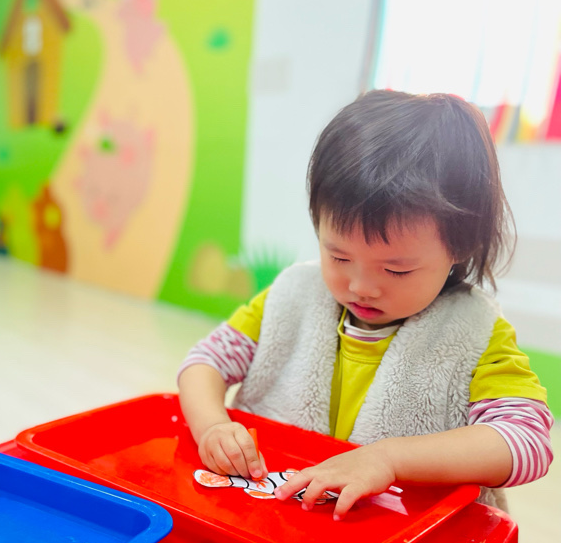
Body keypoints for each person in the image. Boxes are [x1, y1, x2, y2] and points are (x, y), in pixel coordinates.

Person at [178, 90, 553, 519]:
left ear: (460, 247)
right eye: (338, 257)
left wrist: (389, 459)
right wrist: (213, 426)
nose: (360, 287)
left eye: (396, 270)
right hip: (279, 522)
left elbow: (526, 442)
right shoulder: (293, 296)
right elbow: (204, 363)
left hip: (402, 538)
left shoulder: (475, 333)